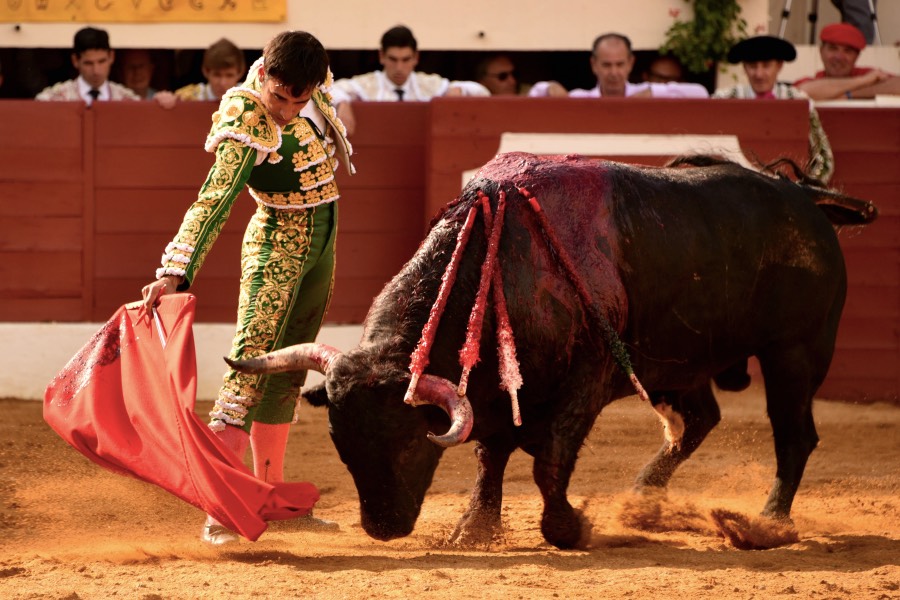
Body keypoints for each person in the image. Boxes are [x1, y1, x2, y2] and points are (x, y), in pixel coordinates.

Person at [140, 30, 354, 546]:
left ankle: (272, 496)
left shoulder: (313, 84)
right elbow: (212, 201)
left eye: (296, 101)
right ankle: (219, 511)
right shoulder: (246, 119)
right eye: (279, 97)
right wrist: (175, 267)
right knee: (247, 369)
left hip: (323, 241)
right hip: (277, 244)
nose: (284, 110)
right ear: (262, 75)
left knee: (286, 373)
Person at [714, 36, 834, 183]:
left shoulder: (797, 100)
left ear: (779, 66)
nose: (759, 74)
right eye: (752, 66)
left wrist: (805, 190)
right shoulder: (724, 99)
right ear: (744, 67)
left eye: (766, 65)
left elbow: (823, 159)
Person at [330, 25, 489, 134]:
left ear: (416, 58)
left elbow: (481, 92)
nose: (399, 67)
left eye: (405, 60)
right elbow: (331, 89)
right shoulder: (367, 84)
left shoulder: (428, 84)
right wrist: (343, 102)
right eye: (393, 59)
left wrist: (459, 90)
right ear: (381, 56)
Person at [528, 33, 708, 98]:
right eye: (607, 65)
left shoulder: (646, 93)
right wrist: (550, 87)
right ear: (594, 65)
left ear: (630, 63)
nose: (614, 72)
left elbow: (701, 93)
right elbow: (533, 94)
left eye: (620, 64)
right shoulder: (580, 98)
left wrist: (654, 92)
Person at [794, 23, 899, 100]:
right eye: (833, 48)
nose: (839, 57)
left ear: (857, 57)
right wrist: (863, 81)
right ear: (821, 52)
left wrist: (849, 95)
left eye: (847, 51)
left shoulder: (866, 73)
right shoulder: (868, 78)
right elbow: (804, 92)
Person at [36, 27, 139, 104]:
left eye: (101, 61)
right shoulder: (53, 99)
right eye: (88, 63)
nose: (96, 71)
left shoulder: (128, 100)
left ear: (111, 57)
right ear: (75, 60)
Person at [154, 38, 246, 108]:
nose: (222, 83)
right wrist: (162, 99)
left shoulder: (251, 95)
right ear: (206, 71)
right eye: (217, 75)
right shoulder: (187, 97)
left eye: (229, 75)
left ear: (240, 73)